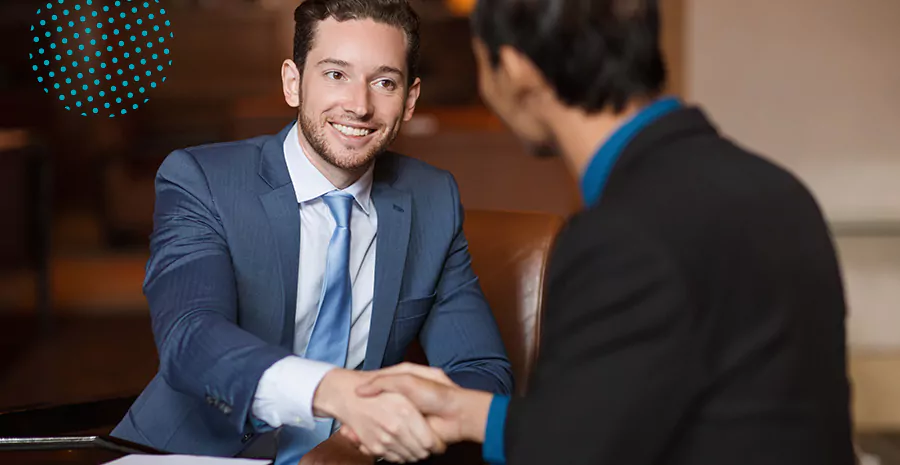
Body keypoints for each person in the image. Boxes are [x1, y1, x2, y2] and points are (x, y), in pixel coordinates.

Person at [344, 0, 856, 464]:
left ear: (517, 68)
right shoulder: (779, 190)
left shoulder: (623, 234)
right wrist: (470, 412)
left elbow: (575, 454)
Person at [110, 1, 513, 464]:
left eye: (384, 82)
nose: (359, 106)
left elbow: (483, 374)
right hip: (193, 454)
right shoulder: (203, 180)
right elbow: (189, 338)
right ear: (293, 82)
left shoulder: (433, 199)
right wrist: (333, 392)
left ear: (411, 98)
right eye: (335, 75)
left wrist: (356, 440)